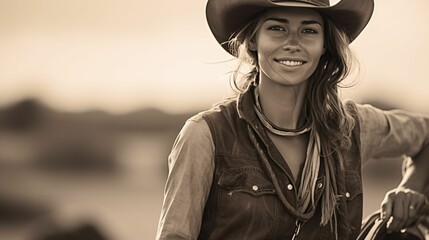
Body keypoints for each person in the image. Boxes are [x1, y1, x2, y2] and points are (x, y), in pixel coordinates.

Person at [156, 0, 429, 239]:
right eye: (277, 28)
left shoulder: (353, 128)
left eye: (309, 30)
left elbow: (426, 135)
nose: (293, 43)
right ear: (253, 39)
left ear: (324, 45)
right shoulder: (205, 135)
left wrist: (410, 188)